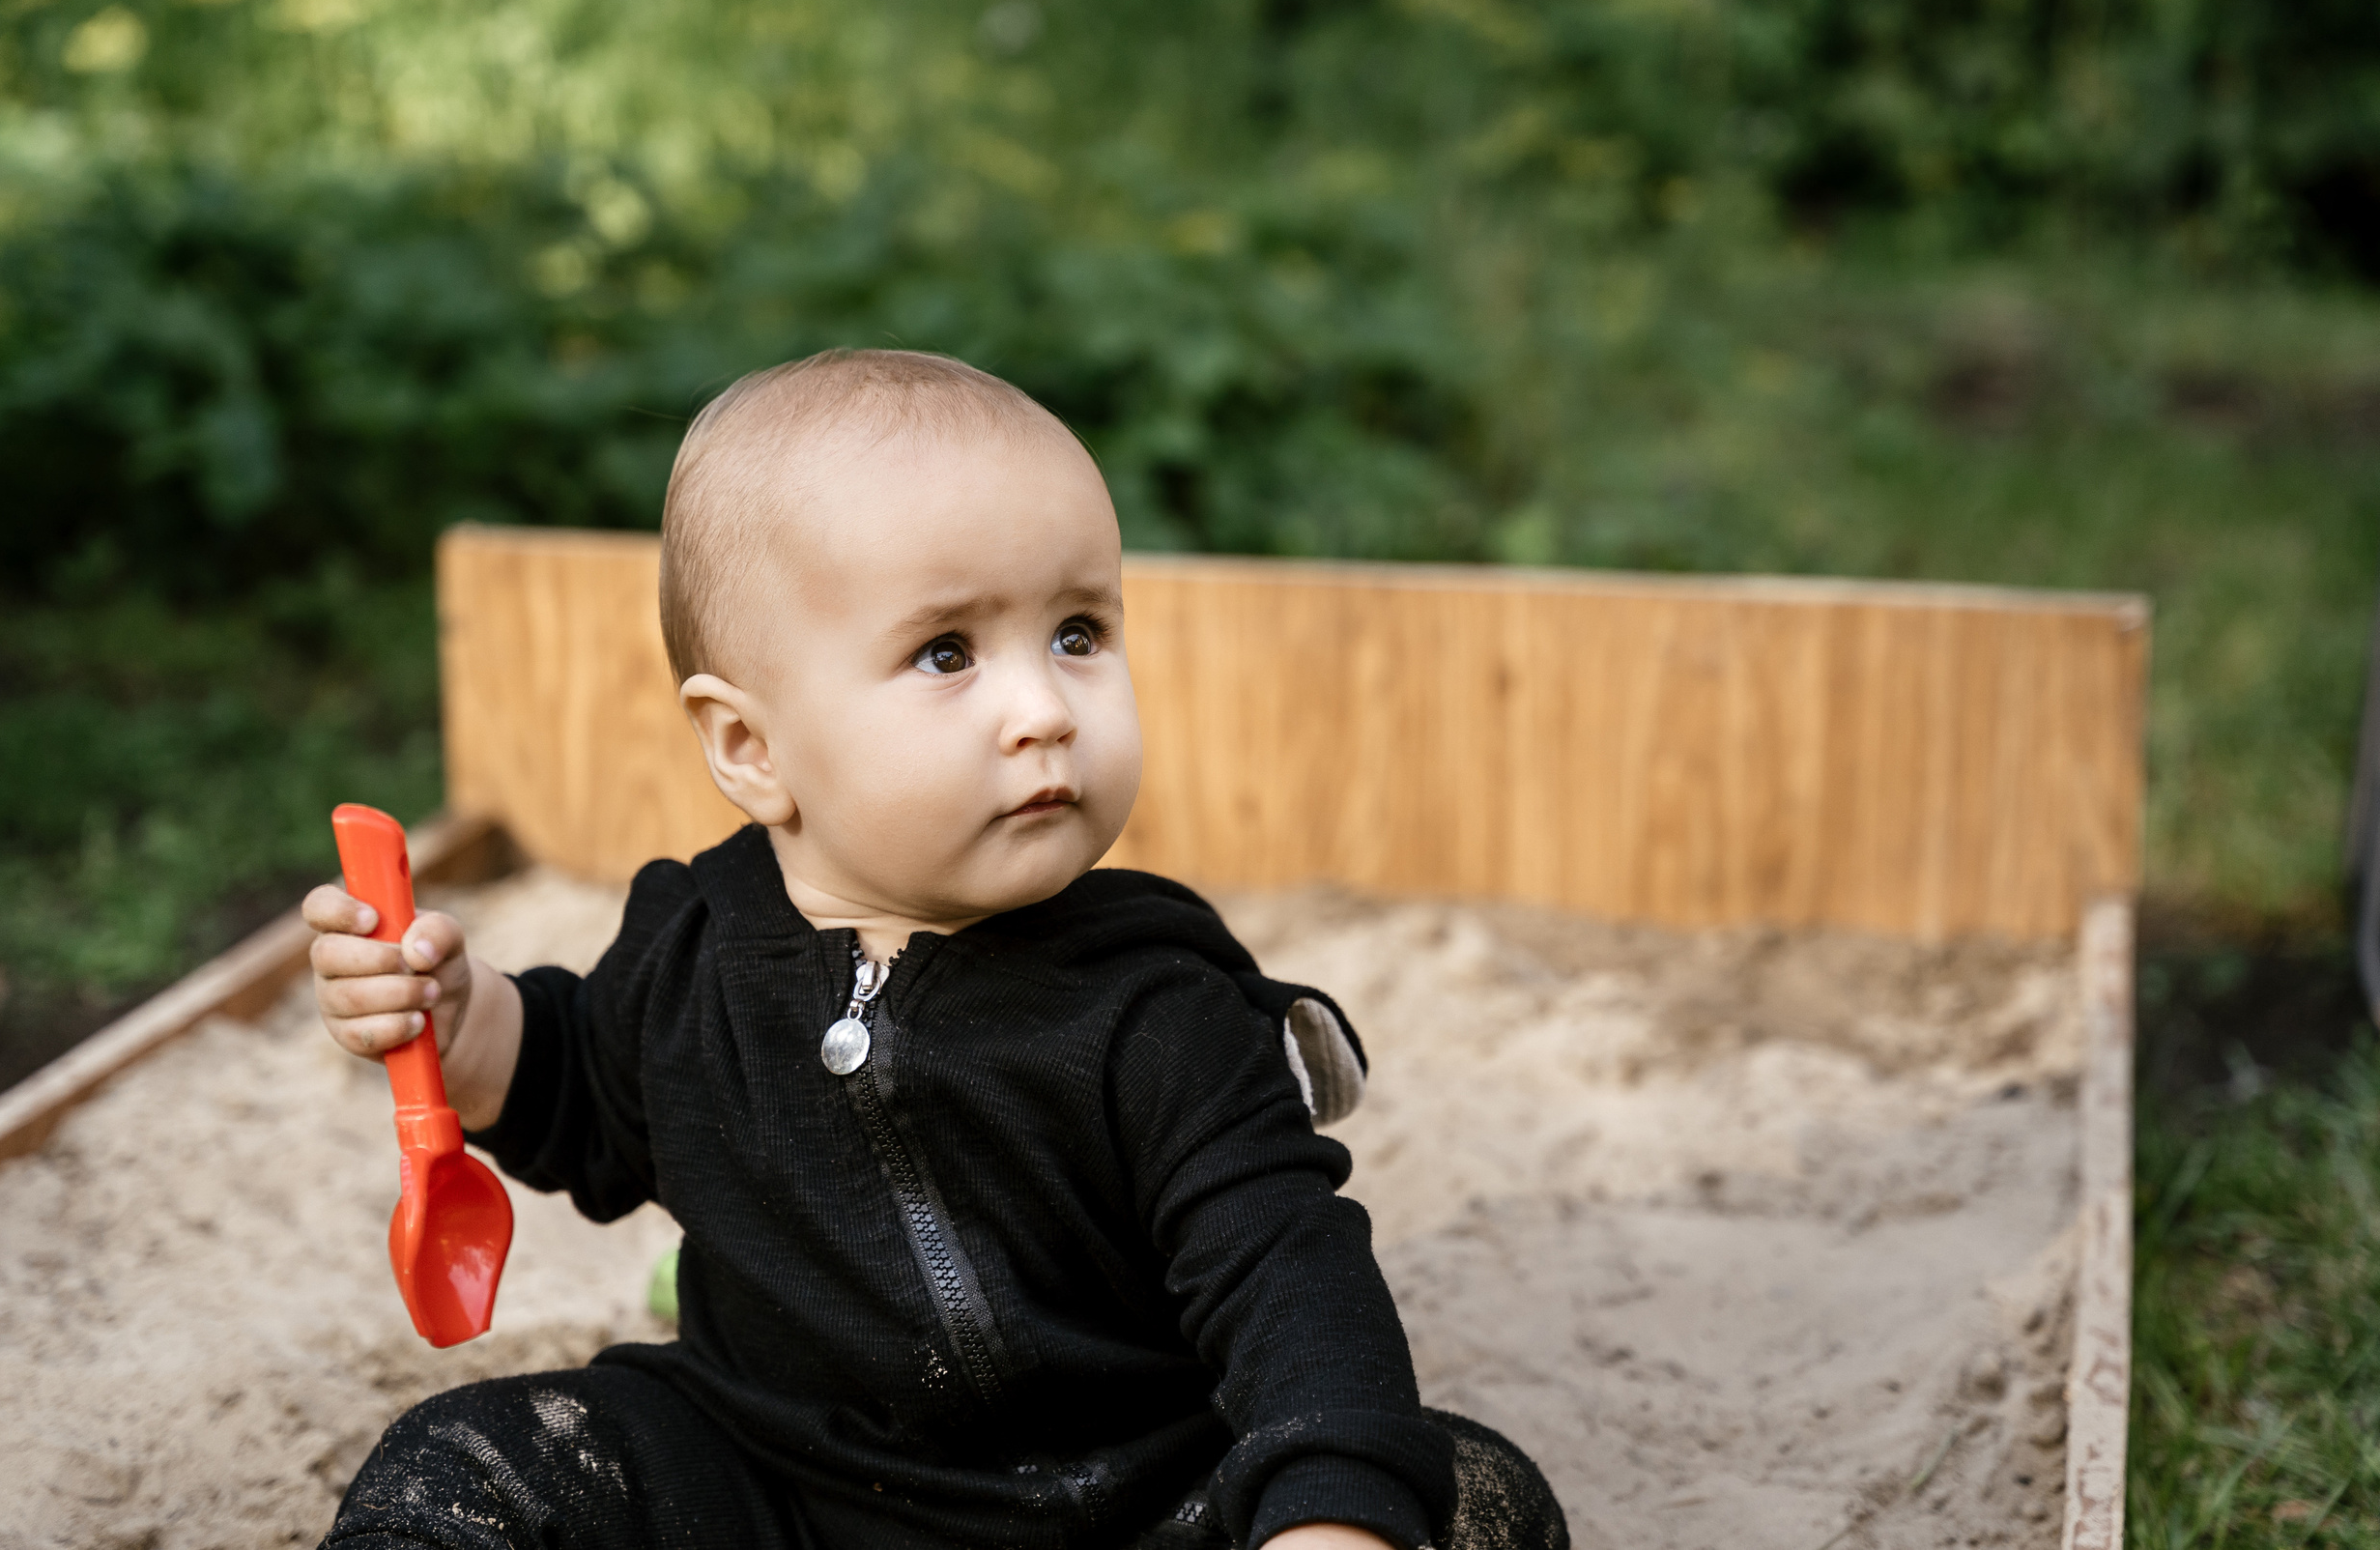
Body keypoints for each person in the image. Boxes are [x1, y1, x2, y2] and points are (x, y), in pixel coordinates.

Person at [301, 350, 1567, 1550]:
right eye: (947, 653)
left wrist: (1328, 1514)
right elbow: (584, 1092)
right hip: (772, 1478)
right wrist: (462, 1024)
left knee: (1471, 1493)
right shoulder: (696, 949)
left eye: (1079, 632)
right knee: (462, 1457)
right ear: (751, 748)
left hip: (1132, 1495)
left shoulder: (1161, 1004)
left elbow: (1290, 1280)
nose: (1044, 711)